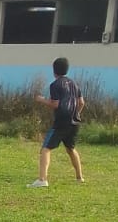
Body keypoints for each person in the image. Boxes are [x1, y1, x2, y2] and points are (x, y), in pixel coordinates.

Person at [30, 56, 85, 187]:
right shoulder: (74, 84)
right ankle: (80, 177)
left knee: (45, 149)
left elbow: (55, 104)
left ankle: (42, 180)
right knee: (71, 148)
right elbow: (81, 102)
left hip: (61, 122)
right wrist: (76, 113)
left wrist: (41, 100)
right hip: (74, 122)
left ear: (54, 70)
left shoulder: (55, 85)